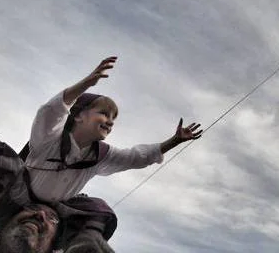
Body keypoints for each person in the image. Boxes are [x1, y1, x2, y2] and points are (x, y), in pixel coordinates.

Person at [18, 56, 204, 250]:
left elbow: (136, 157)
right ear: (79, 115)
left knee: (99, 209)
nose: (110, 121)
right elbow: (51, 111)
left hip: (54, 212)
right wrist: (85, 84)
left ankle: (81, 247)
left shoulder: (101, 156)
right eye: (104, 113)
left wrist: (174, 141)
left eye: (113, 118)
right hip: (17, 198)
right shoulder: (48, 138)